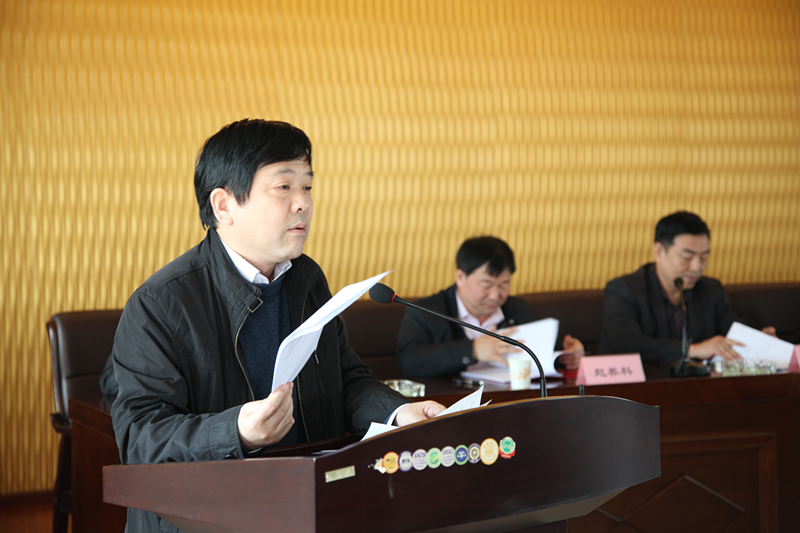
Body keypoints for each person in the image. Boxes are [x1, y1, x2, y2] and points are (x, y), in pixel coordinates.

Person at [110, 119, 444, 533]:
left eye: (307, 186)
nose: (302, 203)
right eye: (284, 186)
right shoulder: (161, 303)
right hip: (207, 520)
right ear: (224, 205)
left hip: (308, 506)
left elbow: (345, 380)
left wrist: (396, 412)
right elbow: (141, 436)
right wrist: (236, 432)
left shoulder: (307, 279)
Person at [599, 211, 775, 366]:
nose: (697, 267)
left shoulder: (710, 289)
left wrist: (758, 341)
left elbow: (731, 331)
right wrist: (692, 350)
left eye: (704, 258)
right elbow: (626, 343)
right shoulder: (624, 289)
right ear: (659, 251)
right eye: (687, 257)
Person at [395, 236, 585, 378]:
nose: (496, 295)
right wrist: (472, 350)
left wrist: (566, 355)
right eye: (486, 285)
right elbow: (408, 361)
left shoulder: (515, 308)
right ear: (460, 277)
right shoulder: (426, 311)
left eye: (504, 284)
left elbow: (539, 353)